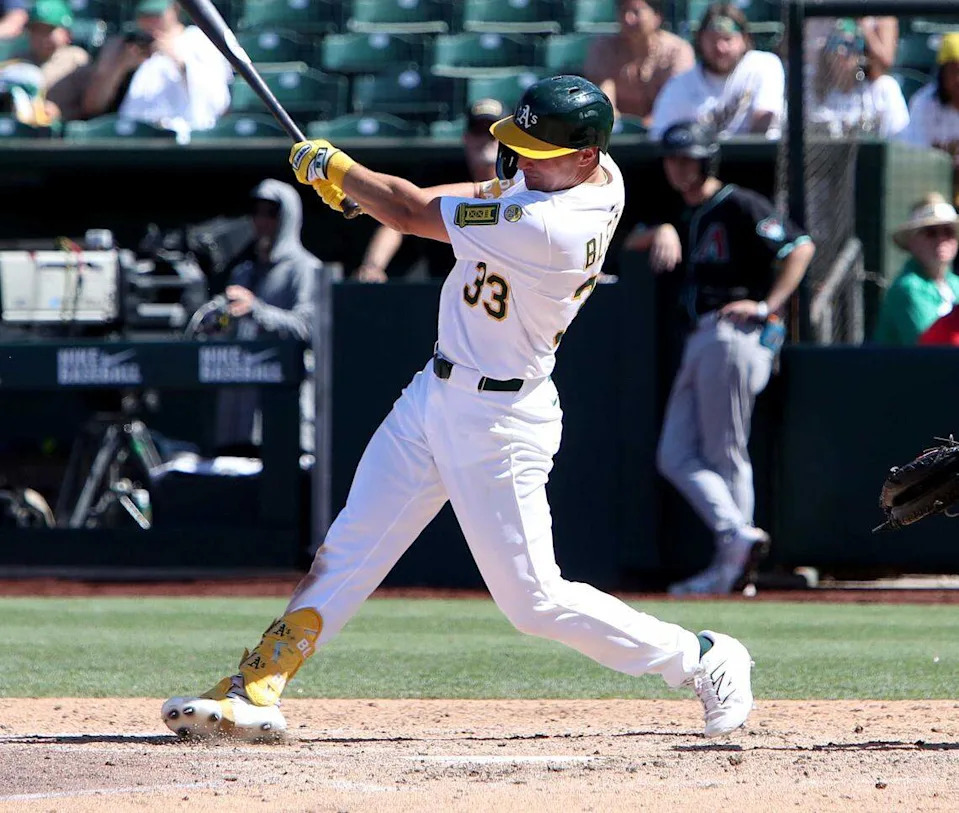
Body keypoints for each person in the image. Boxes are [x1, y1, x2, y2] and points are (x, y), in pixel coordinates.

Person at [161, 75, 755, 742]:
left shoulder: (554, 228)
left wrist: (344, 173)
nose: (521, 159)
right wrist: (367, 199)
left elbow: (418, 213)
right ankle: (259, 684)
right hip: (435, 392)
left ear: (584, 155)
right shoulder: (589, 171)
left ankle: (702, 657)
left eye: (538, 149)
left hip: (500, 420)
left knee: (533, 601)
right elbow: (478, 194)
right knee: (349, 544)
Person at [626, 121, 814, 595]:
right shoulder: (681, 212)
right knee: (674, 454)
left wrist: (769, 305)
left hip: (733, 333)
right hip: (701, 338)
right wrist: (662, 228)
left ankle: (733, 568)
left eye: (688, 158)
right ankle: (737, 540)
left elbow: (800, 246)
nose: (678, 167)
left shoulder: (739, 201)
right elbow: (626, 241)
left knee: (725, 451)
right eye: (673, 158)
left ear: (707, 159)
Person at [209, 179, 318, 456]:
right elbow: (228, 331)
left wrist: (256, 310)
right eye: (256, 212)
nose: (261, 221)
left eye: (271, 213)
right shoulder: (243, 271)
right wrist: (219, 323)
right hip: (237, 419)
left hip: (283, 413)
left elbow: (307, 328)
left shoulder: (305, 268)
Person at [353, 98, 505, 283]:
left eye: (494, 132)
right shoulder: (443, 175)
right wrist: (373, 266)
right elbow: (401, 214)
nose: (487, 140)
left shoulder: (522, 181)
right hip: (443, 282)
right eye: (479, 131)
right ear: (466, 137)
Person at [80, 0, 231, 140]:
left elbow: (220, 103)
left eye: (156, 15)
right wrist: (120, 67)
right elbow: (93, 106)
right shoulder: (125, 46)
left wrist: (179, 62)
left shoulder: (200, 40)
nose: (150, 22)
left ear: (175, 9)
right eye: (144, 15)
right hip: (133, 138)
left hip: (185, 136)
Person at [649, 3, 784, 140]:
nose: (720, 47)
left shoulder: (763, 65)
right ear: (700, 40)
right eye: (712, 39)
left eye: (727, 39)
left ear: (745, 39)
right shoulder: (681, 84)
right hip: (702, 159)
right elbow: (659, 135)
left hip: (761, 160)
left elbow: (763, 121)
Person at [583, 0, 694, 124]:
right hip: (615, 133)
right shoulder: (604, 48)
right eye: (623, 11)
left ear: (657, 16)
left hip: (665, 130)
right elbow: (604, 95)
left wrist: (650, 123)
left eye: (636, 12)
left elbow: (675, 98)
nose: (627, 18)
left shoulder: (677, 50)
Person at [874, 193, 959, 346]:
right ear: (912, 241)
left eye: (948, 231)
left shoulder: (955, 283)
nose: (941, 240)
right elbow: (933, 349)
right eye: (931, 232)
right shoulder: (907, 289)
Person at [806, 19, 908, 139]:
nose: (842, 52)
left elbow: (901, 140)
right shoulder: (812, 91)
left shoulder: (884, 88)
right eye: (836, 43)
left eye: (850, 46)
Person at [6, 0, 89, 123]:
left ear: (66, 33)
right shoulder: (18, 60)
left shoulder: (77, 59)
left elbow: (91, 107)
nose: (42, 37)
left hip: (65, 133)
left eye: (48, 30)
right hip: (22, 128)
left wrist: (62, 113)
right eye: (36, 30)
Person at [898, 33, 959, 197]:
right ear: (942, 73)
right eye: (954, 70)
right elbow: (916, 161)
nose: (958, 79)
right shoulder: (924, 103)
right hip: (932, 193)